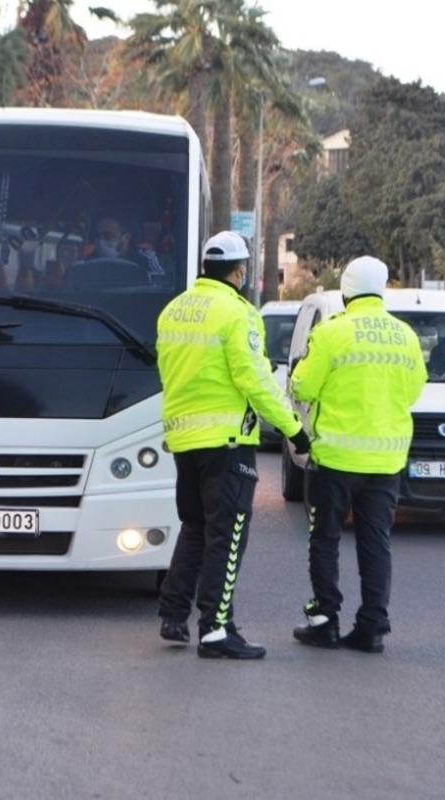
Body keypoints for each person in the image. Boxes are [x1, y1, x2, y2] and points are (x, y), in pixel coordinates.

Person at [156, 231, 310, 660]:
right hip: (226, 442)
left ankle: (172, 614)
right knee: (228, 535)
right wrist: (293, 429)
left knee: (195, 527)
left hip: (184, 440)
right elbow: (255, 379)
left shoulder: (173, 311)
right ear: (240, 271)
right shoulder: (237, 313)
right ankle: (215, 630)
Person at [289, 256, 426, 654]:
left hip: (334, 460)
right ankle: (372, 627)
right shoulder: (405, 336)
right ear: (381, 289)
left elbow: (303, 388)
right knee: (375, 542)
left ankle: (325, 620)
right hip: (386, 462)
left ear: (347, 291)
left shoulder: (332, 334)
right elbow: (415, 389)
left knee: (325, 540)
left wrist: (299, 375)